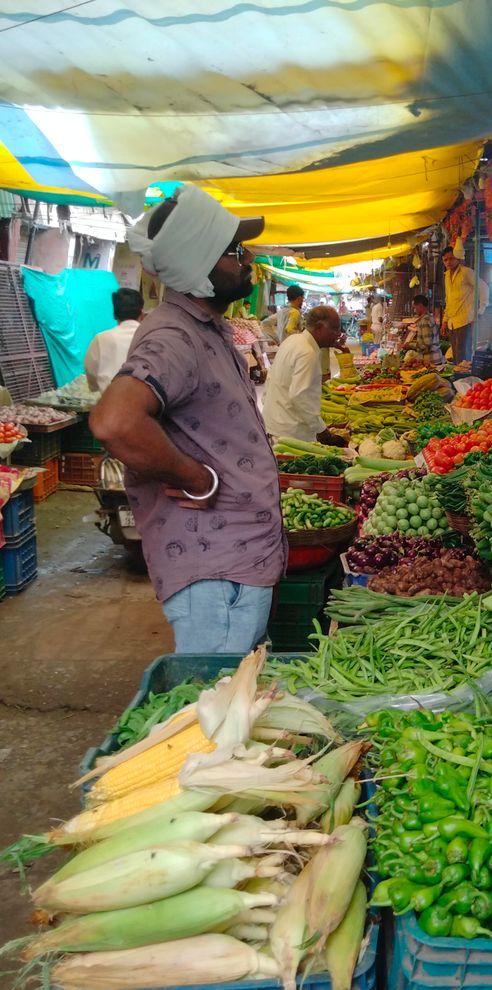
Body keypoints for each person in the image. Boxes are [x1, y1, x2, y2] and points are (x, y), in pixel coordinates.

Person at [89, 184, 285, 654]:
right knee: (213, 705)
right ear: (201, 261)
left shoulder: (204, 328)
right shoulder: (174, 336)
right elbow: (114, 421)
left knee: (232, 695)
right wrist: (194, 476)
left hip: (235, 562)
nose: (247, 262)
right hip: (215, 571)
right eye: (235, 251)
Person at [263, 306, 346, 443]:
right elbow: (301, 397)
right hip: (291, 432)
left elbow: (270, 380)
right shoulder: (307, 352)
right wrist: (322, 431)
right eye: (335, 329)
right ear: (319, 328)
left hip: (276, 425)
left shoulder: (293, 341)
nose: (338, 334)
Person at [84, 288, 144, 393]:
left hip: (109, 401)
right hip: (145, 404)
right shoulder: (150, 337)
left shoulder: (101, 338)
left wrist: (94, 389)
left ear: (114, 315)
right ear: (142, 314)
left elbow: (90, 370)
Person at [441, 246, 479, 363]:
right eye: (445, 260)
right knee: (456, 356)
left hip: (465, 321)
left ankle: (463, 380)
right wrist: (444, 321)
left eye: (451, 258)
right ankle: (458, 380)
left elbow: (483, 288)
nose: (449, 262)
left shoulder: (466, 272)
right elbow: (449, 300)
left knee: (464, 356)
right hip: (452, 323)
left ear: (458, 259)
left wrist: (478, 311)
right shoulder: (447, 276)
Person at [404, 294, 444, 367]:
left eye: (415, 307)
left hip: (432, 361)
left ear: (420, 305)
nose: (414, 310)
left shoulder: (425, 320)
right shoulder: (429, 317)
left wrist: (409, 345)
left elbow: (426, 345)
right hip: (434, 359)